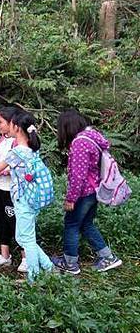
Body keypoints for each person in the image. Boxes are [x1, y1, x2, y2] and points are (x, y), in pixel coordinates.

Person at [0, 110, 54, 282]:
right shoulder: (30, 148)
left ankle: (33, 277)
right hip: (30, 198)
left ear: (17, 128)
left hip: (23, 200)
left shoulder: (18, 152)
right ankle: (48, 267)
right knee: (23, 236)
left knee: (26, 239)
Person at [51, 109, 122, 274]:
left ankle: (70, 263)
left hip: (84, 193)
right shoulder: (91, 137)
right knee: (86, 224)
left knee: (71, 224)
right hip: (94, 190)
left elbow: (78, 176)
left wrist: (71, 199)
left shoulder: (79, 143)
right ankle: (108, 257)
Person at [0, 107, 27, 272]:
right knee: (0, 220)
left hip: (12, 190)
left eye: (1, 122)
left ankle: (25, 257)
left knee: (16, 222)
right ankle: (5, 255)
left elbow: (18, 166)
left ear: (12, 123)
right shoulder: (1, 140)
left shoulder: (19, 142)